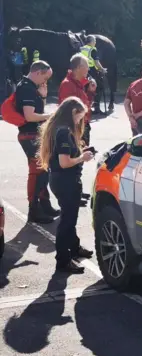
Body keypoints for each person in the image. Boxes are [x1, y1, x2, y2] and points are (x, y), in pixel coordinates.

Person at [37, 97, 95, 274]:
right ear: (72, 113)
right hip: (66, 180)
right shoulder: (63, 132)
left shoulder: (58, 128)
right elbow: (64, 162)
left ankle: (74, 248)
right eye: (79, 117)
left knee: (70, 218)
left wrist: (81, 153)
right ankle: (63, 260)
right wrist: (82, 158)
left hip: (61, 180)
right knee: (67, 221)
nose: (80, 121)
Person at [15, 60, 58, 224]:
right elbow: (30, 116)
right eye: (45, 78)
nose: (45, 82)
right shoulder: (26, 88)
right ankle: (34, 210)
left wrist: (44, 96)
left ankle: (44, 205)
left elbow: (38, 110)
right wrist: (51, 116)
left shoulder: (32, 87)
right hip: (29, 135)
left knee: (43, 170)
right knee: (38, 171)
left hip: (34, 133)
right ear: (38, 72)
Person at [58, 53, 96, 205]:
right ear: (79, 68)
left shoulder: (79, 84)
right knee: (75, 158)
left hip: (82, 125)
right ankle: (73, 192)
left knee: (80, 158)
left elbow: (85, 105)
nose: (88, 69)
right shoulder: (68, 85)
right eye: (86, 66)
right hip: (75, 127)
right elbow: (68, 110)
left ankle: (77, 190)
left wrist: (91, 92)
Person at [80, 35, 107, 115]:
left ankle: (84, 107)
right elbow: (96, 62)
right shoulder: (92, 50)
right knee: (99, 87)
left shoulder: (82, 48)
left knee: (85, 89)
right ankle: (96, 107)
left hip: (82, 71)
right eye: (94, 41)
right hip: (91, 71)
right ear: (91, 42)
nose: (95, 42)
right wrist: (102, 69)